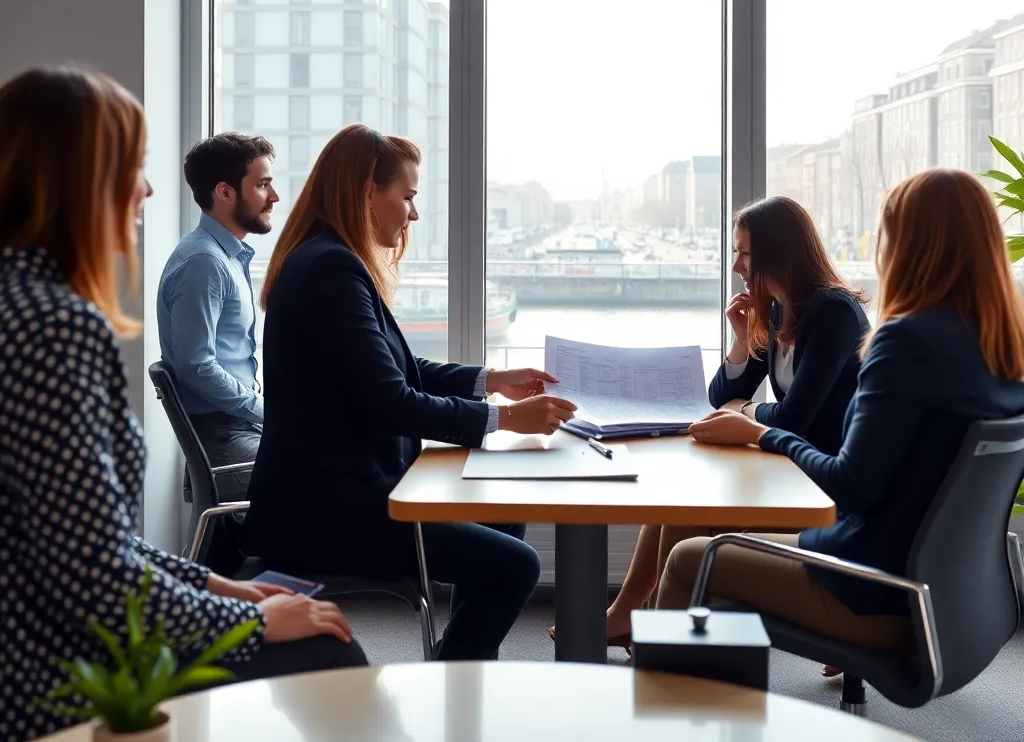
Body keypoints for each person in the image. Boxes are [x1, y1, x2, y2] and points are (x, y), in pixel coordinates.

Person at [0, 69, 365, 742]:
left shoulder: (22, 303)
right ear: (79, 180)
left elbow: (91, 542)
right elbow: (93, 577)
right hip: (45, 675)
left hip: (41, 637)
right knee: (325, 647)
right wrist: (250, 620)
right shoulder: (54, 327)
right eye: (133, 167)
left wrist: (222, 588)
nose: (146, 189)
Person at [243, 124, 577, 661]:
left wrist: (492, 382)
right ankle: (452, 675)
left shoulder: (328, 258)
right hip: (327, 512)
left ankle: (461, 666)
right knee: (518, 566)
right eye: (408, 196)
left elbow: (398, 369)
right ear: (367, 193)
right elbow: (391, 402)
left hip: (341, 490)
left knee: (503, 516)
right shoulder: (331, 269)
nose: (413, 214)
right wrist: (508, 420)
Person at [657, 169, 1024, 655]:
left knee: (689, 559)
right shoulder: (1005, 349)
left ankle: (663, 691)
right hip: (955, 603)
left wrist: (762, 433)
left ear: (907, 246)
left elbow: (850, 486)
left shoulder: (903, 344)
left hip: (874, 590)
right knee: (704, 528)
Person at [551, 195, 869, 650]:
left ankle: (655, 628)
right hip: (785, 463)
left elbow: (795, 417)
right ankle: (632, 616)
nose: (737, 265)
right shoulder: (779, 308)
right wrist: (741, 344)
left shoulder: (832, 313)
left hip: (819, 477)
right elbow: (717, 399)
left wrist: (747, 411)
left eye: (745, 253)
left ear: (779, 253)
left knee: (690, 507)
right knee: (677, 499)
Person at [157, 133, 279, 502]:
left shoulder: (224, 256)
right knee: (335, 482)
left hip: (235, 430)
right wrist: (265, 410)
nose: (274, 197)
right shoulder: (204, 262)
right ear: (225, 192)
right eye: (262, 185)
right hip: (224, 440)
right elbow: (197, 366)